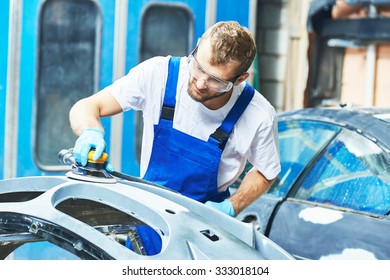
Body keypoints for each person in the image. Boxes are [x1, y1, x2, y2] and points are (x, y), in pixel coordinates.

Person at [69, 21, 280, 220]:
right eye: (198, 67)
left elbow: (266, 171)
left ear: (240, 79)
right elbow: (87, 106)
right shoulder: (158, 74)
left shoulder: (258, 115)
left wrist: (232, 206)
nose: (200, 82)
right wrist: (90, 132)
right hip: (146, 217)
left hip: (205, 228)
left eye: (215, 80)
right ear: (197, 47)